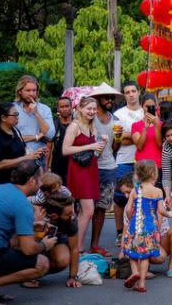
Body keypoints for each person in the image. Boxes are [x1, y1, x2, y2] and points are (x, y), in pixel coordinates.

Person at [0, 160, 56, 303]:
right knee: (42, 263)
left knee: (6, 242)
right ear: (31, 181)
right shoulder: (23, 204)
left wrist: (31, 225)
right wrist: (44, 245)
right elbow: (28, 249)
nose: (42, 184)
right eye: (40, 180)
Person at [116, 172, 172, 279]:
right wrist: (123, 250)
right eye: (124, 193)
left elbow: (155, 227)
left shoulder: (155, 199)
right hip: (144, 239)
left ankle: (171, 267)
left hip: (156, 238)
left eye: (128, 192)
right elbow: (126, 230)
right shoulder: (128, 207)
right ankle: (141, 271)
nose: (126, 196)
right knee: (134, 244)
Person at [62, 97, 106, 252]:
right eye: (89, 109)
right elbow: (65, 150)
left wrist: (101, 145)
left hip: (91, 168)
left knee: (84, 211)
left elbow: (94, 154)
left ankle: (77, 247)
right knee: (88, 210)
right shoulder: (74, 126)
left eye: (94, 109)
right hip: (78, 170)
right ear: (80, 109)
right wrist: (91, 145)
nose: (92, 112)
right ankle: (77, 247)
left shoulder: (92, 126)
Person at [122, 160, 172, 292]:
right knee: (145, 255)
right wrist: (170, 214)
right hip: (150, 228)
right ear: (152, 173)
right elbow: (161, 211)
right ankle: (142, 283)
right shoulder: (157, 191)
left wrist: (131, 220)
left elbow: (128, 209)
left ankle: (135, 272)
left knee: (132, 252)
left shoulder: (135, 190)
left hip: (135, 225)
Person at [90, 83, 122, 256]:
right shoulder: (89, 117)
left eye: (111, 98)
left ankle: (95, 244)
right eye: (105, 97)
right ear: (97, 99)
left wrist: (118, 138)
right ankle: (79, 246)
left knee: (101, 208)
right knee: (86, 208)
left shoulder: (115, 120)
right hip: (90, 166)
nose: (109, 100)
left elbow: (115, 147)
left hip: (109, 166)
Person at [113, 81, 144, 244]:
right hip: (123, 160)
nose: (131, 94)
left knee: (142, 197)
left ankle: (140, 231)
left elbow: (150, 137)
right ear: (124, 95)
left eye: (133, 91)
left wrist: (129, 135)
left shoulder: (146, 111)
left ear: (139, 92)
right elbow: (118, 140)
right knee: (120, 198)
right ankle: (120, 232)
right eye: (127, 92)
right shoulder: (119, 114)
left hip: (142, 161)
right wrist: (138, 136)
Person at [0, 103, 45, 185]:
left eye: (18, 114)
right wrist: (25, 158)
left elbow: (24, 152)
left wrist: (35, 153)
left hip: (20, 180)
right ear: (4, 118)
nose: (17, 117)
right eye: (15, 115)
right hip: (4, 183)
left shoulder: (15, 130)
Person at [14, 75, 55, 168]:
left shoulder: (44, 109)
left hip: (39, 160)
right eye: (28, 90)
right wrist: (37, 137)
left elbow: (50, 135)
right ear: (20, 91)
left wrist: (36, 113)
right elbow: (12, 138)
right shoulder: (13, 108)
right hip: (17, 158)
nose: (31, 94)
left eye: (34, 90)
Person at [42, 193, 82, 288]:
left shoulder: (71, 220)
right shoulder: (36, 215)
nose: (72, 216)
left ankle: (39, 272)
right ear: (54, 216)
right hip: (33, 242)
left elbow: (74, 249)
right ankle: (26, 273)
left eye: (72, 212)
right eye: (68, 214)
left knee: (63, 260)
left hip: (56, 239)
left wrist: (73, 277)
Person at [132, 94, 163, 188]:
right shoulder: (136, 125)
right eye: (147, 106)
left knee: (156, 195)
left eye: (152, 106)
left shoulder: (161, 124)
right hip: (141, 166)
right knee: (140, 195)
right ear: (142, 107)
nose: (149, 108)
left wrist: (156, 124)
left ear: (156, 107)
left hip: (157, 165)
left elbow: (159, 144)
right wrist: (145, 128)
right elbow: (139, 146)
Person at [46, 97, 73, 184]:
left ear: (71, 107)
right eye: (62, 107)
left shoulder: (77, 124)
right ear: (58, 109)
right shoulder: (53, 125)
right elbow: (48, 148)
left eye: (67, 106)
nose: (65, 109)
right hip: (57, 165)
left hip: (74, 164)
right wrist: (46, 168)